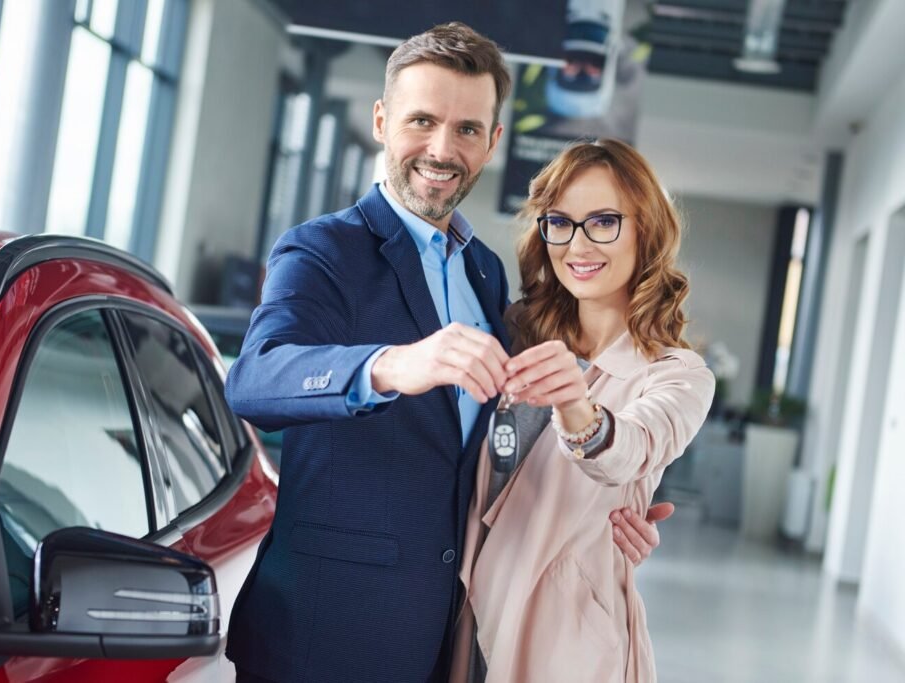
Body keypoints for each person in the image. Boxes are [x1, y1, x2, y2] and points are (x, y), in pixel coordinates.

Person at [225, 24, 668, 683]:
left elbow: (507, 442)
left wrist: (605, 515)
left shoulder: (486, 273)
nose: (441, 148)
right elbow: (255, 378)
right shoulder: (323, 251)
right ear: (382, 120)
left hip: (446, 637)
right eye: (422, 120)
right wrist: (389, 365)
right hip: (324, 636)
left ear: (493, 142)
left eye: (466, 129)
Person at [451, 139, 716, 682]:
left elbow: (630, 449)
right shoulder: (511, 331)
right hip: (462, 615)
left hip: (563, 643)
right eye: (561, 222)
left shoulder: (676, 376)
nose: (578, 244)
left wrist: (576, 403)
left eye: (603, 221)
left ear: (646, 229)